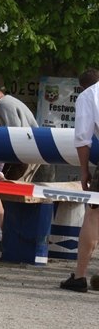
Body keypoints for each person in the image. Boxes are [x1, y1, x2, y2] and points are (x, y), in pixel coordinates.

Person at [60, 68, 99, 292]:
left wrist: (84, 171)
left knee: (94, 214)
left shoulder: (88, 96)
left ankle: (80, 276)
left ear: (82, 87)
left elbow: (83, 138)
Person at [0, 83, 40, 181]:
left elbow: (13, 133)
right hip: (32, 150)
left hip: (21, 154)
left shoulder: (3, 104)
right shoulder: (12, 101)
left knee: (7, 187)